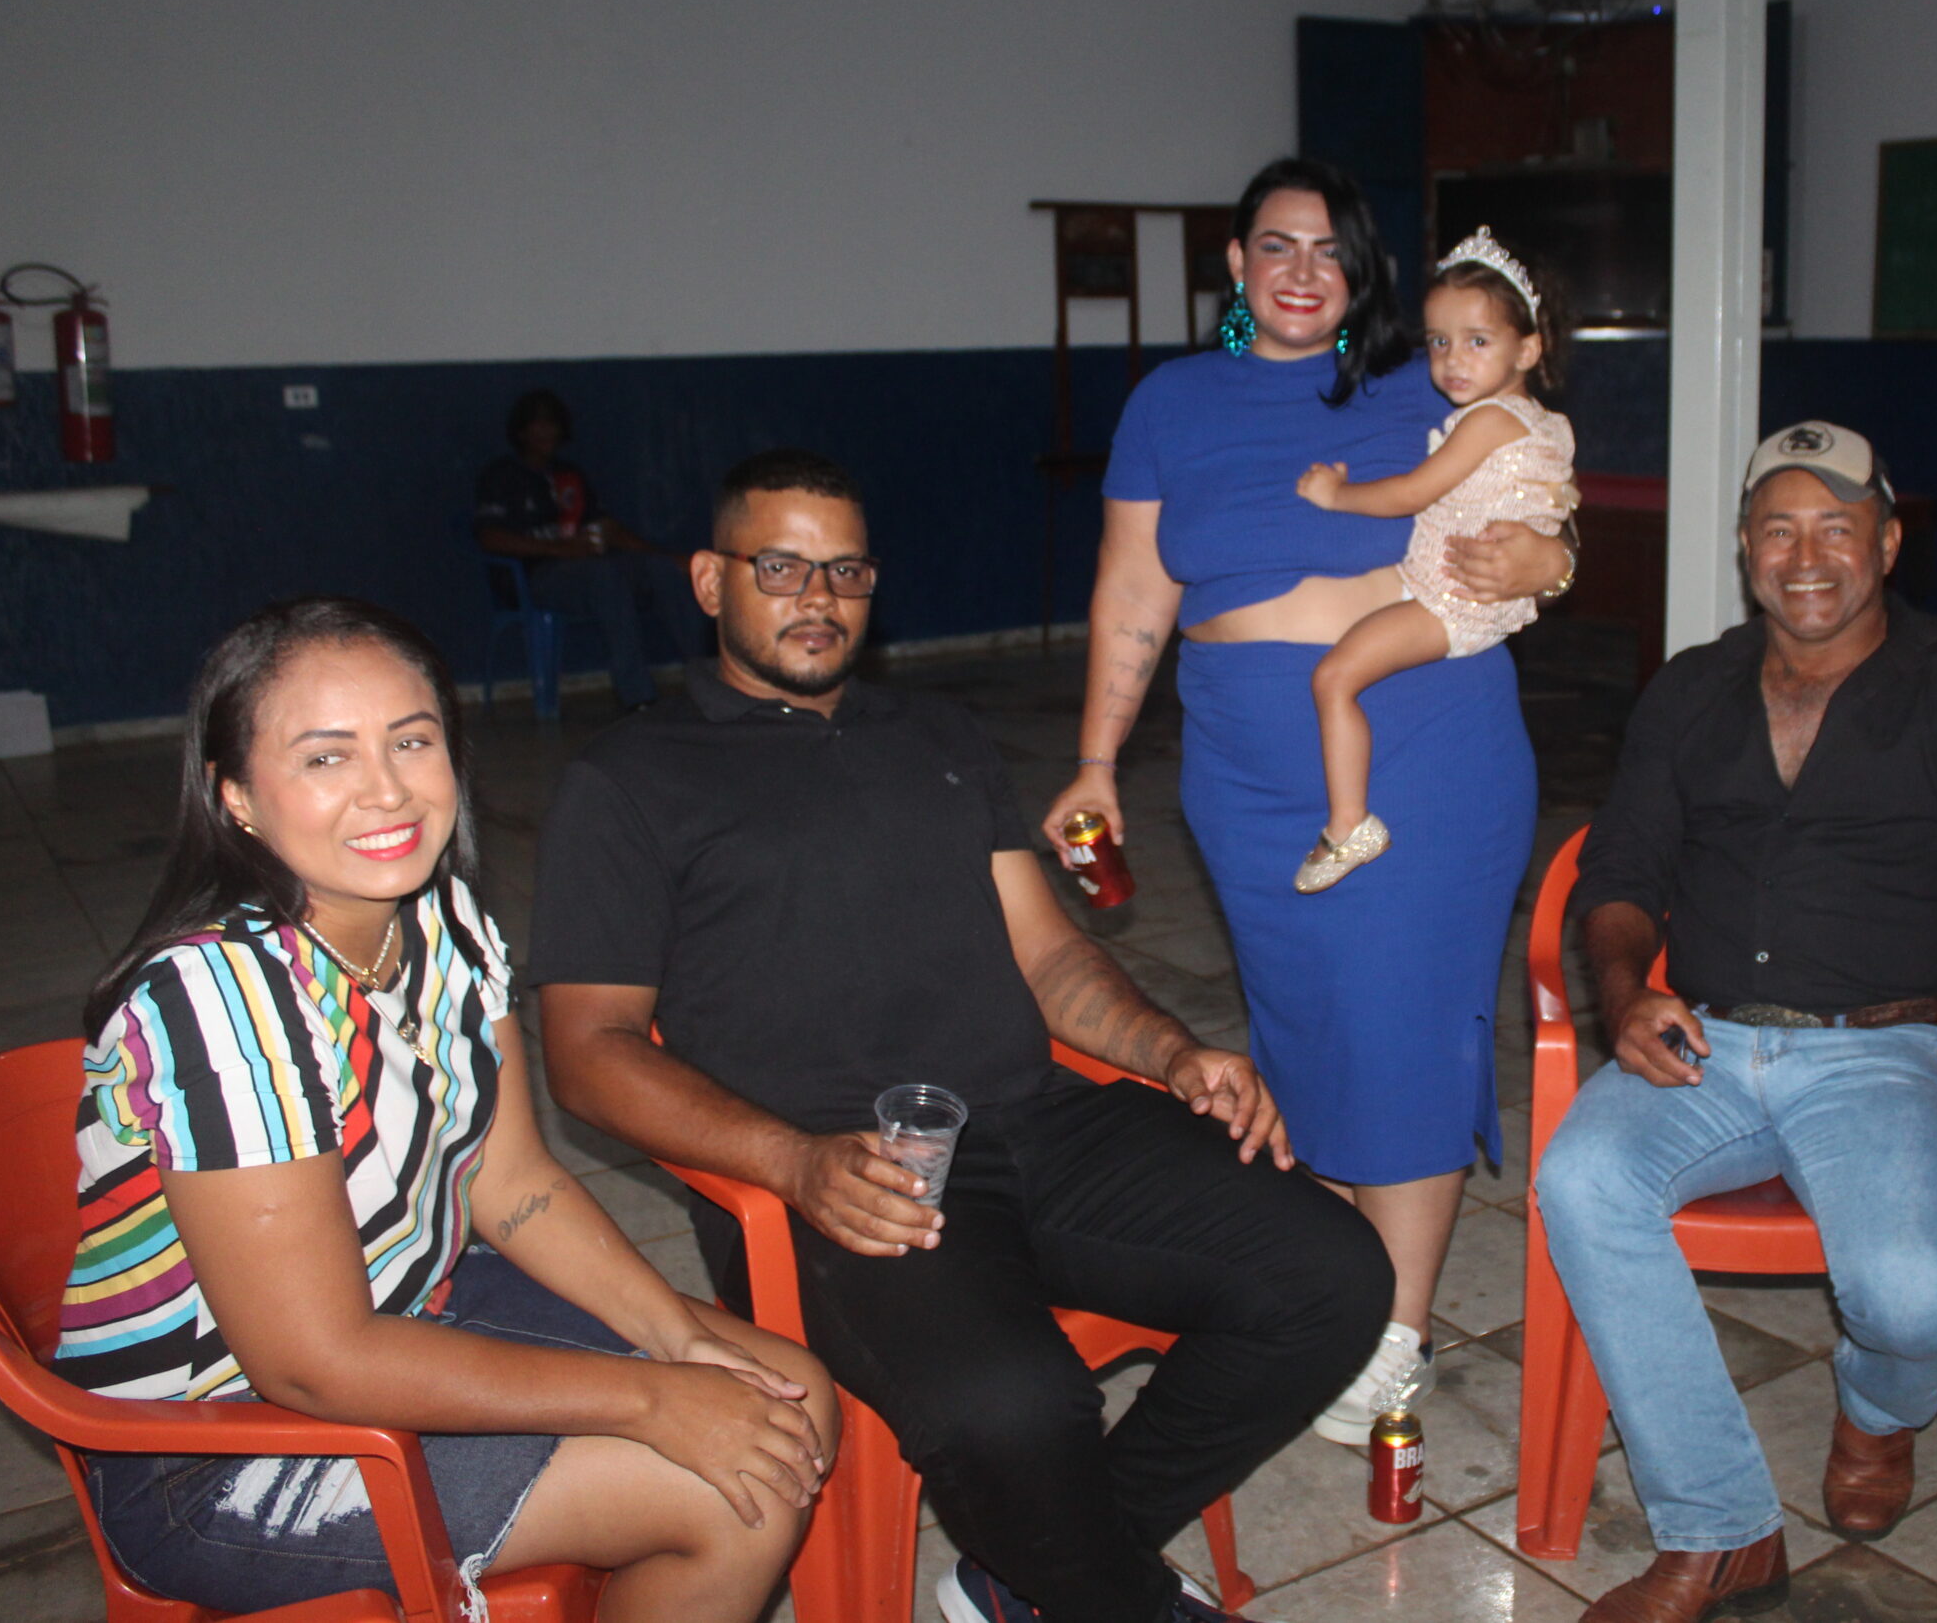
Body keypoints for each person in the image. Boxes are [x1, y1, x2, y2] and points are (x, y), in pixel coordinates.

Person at [528, 449, 1393, 1623]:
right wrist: (793, 1161)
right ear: (708, 580)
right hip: (841, 1176)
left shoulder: (935, 732)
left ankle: (1035, 1569)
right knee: (1015, 1405)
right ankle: (1108, 1593)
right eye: (780, 567)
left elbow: (1048, 954)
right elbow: (586, 1052)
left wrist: (1172, 1053)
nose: (819, 597)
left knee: (1334, 1274)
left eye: (846, 570)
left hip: (1039, 1123)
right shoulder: (630, 779)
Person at [56, 597, 833, 1622]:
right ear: (235, 795)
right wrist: (652, 1399)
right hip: (213, 1449)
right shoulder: (221, 1006)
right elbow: (315, 1363)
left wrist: (676, 1341)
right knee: (729, 1489)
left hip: (409, 1301)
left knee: (785, 1391)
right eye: (326, 757)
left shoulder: (438, 914)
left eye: (411, 740)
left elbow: (510, 1182)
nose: (387, 790)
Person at [1534, 422, 1937, 1623]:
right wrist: (1621, 992)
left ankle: (1878, 1410)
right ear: (1744, 549)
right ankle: (1721, 1530)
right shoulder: (1691, 687)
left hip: (1874, 1052)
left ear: (1885, 542)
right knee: (1581, 1180)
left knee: (1920, 1304)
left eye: (1836, 525)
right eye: (1778, 528)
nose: (1806, 555)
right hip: (1704, 1042)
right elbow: (1620, 866)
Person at [1043, 158, 1574, 1443]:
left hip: (1422, 739)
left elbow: (1536, 486)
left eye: (1330, 250)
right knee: (1312, 1026)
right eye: (1277, 246)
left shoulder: (1422, 377)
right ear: (1235, 264)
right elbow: (1132, 591)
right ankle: (1340, 1289)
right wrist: (1098, 758)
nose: (1301, 271)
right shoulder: (1171, 401)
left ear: (1360, 272)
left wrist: (1551, 558)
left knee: (1402, 1024)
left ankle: (1394, 1334)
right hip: (1242, 763)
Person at [1289, 227, 1578, 892]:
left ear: (1528, 348)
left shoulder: (1488, 420)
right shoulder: (1543, 421)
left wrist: (1335, 495)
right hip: (1447, 591)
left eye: (1477, 341)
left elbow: (1413, 494)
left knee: (1334, 676)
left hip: (1449, 601)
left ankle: (1349, 824)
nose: (1451, 360)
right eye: (1439, 341)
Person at [474, 387, 696, 710]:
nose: (546, 432)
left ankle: (712, 678)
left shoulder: (569, 475)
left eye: (552, 423)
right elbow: (490, 538)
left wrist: (669, 558)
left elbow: (608, 529)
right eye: (537, 423)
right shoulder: (501, 476)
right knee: (606, 577)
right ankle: (638, 698)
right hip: (538, 576)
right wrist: (560, 549)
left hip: (589, 565)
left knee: (658, 570)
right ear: (521, 431)